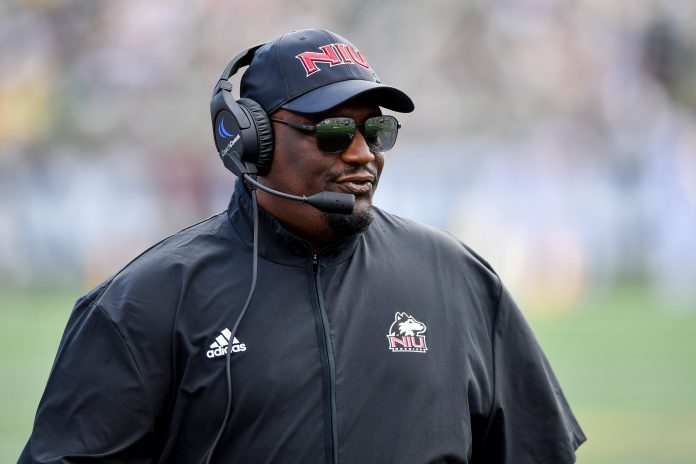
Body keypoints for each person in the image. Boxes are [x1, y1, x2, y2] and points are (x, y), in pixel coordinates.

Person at [20, 28, 585, 463]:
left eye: (377, 131)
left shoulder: (458, 279)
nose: (363, 153)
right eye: (334, 131)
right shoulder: (143, 303)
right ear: (250, 141)